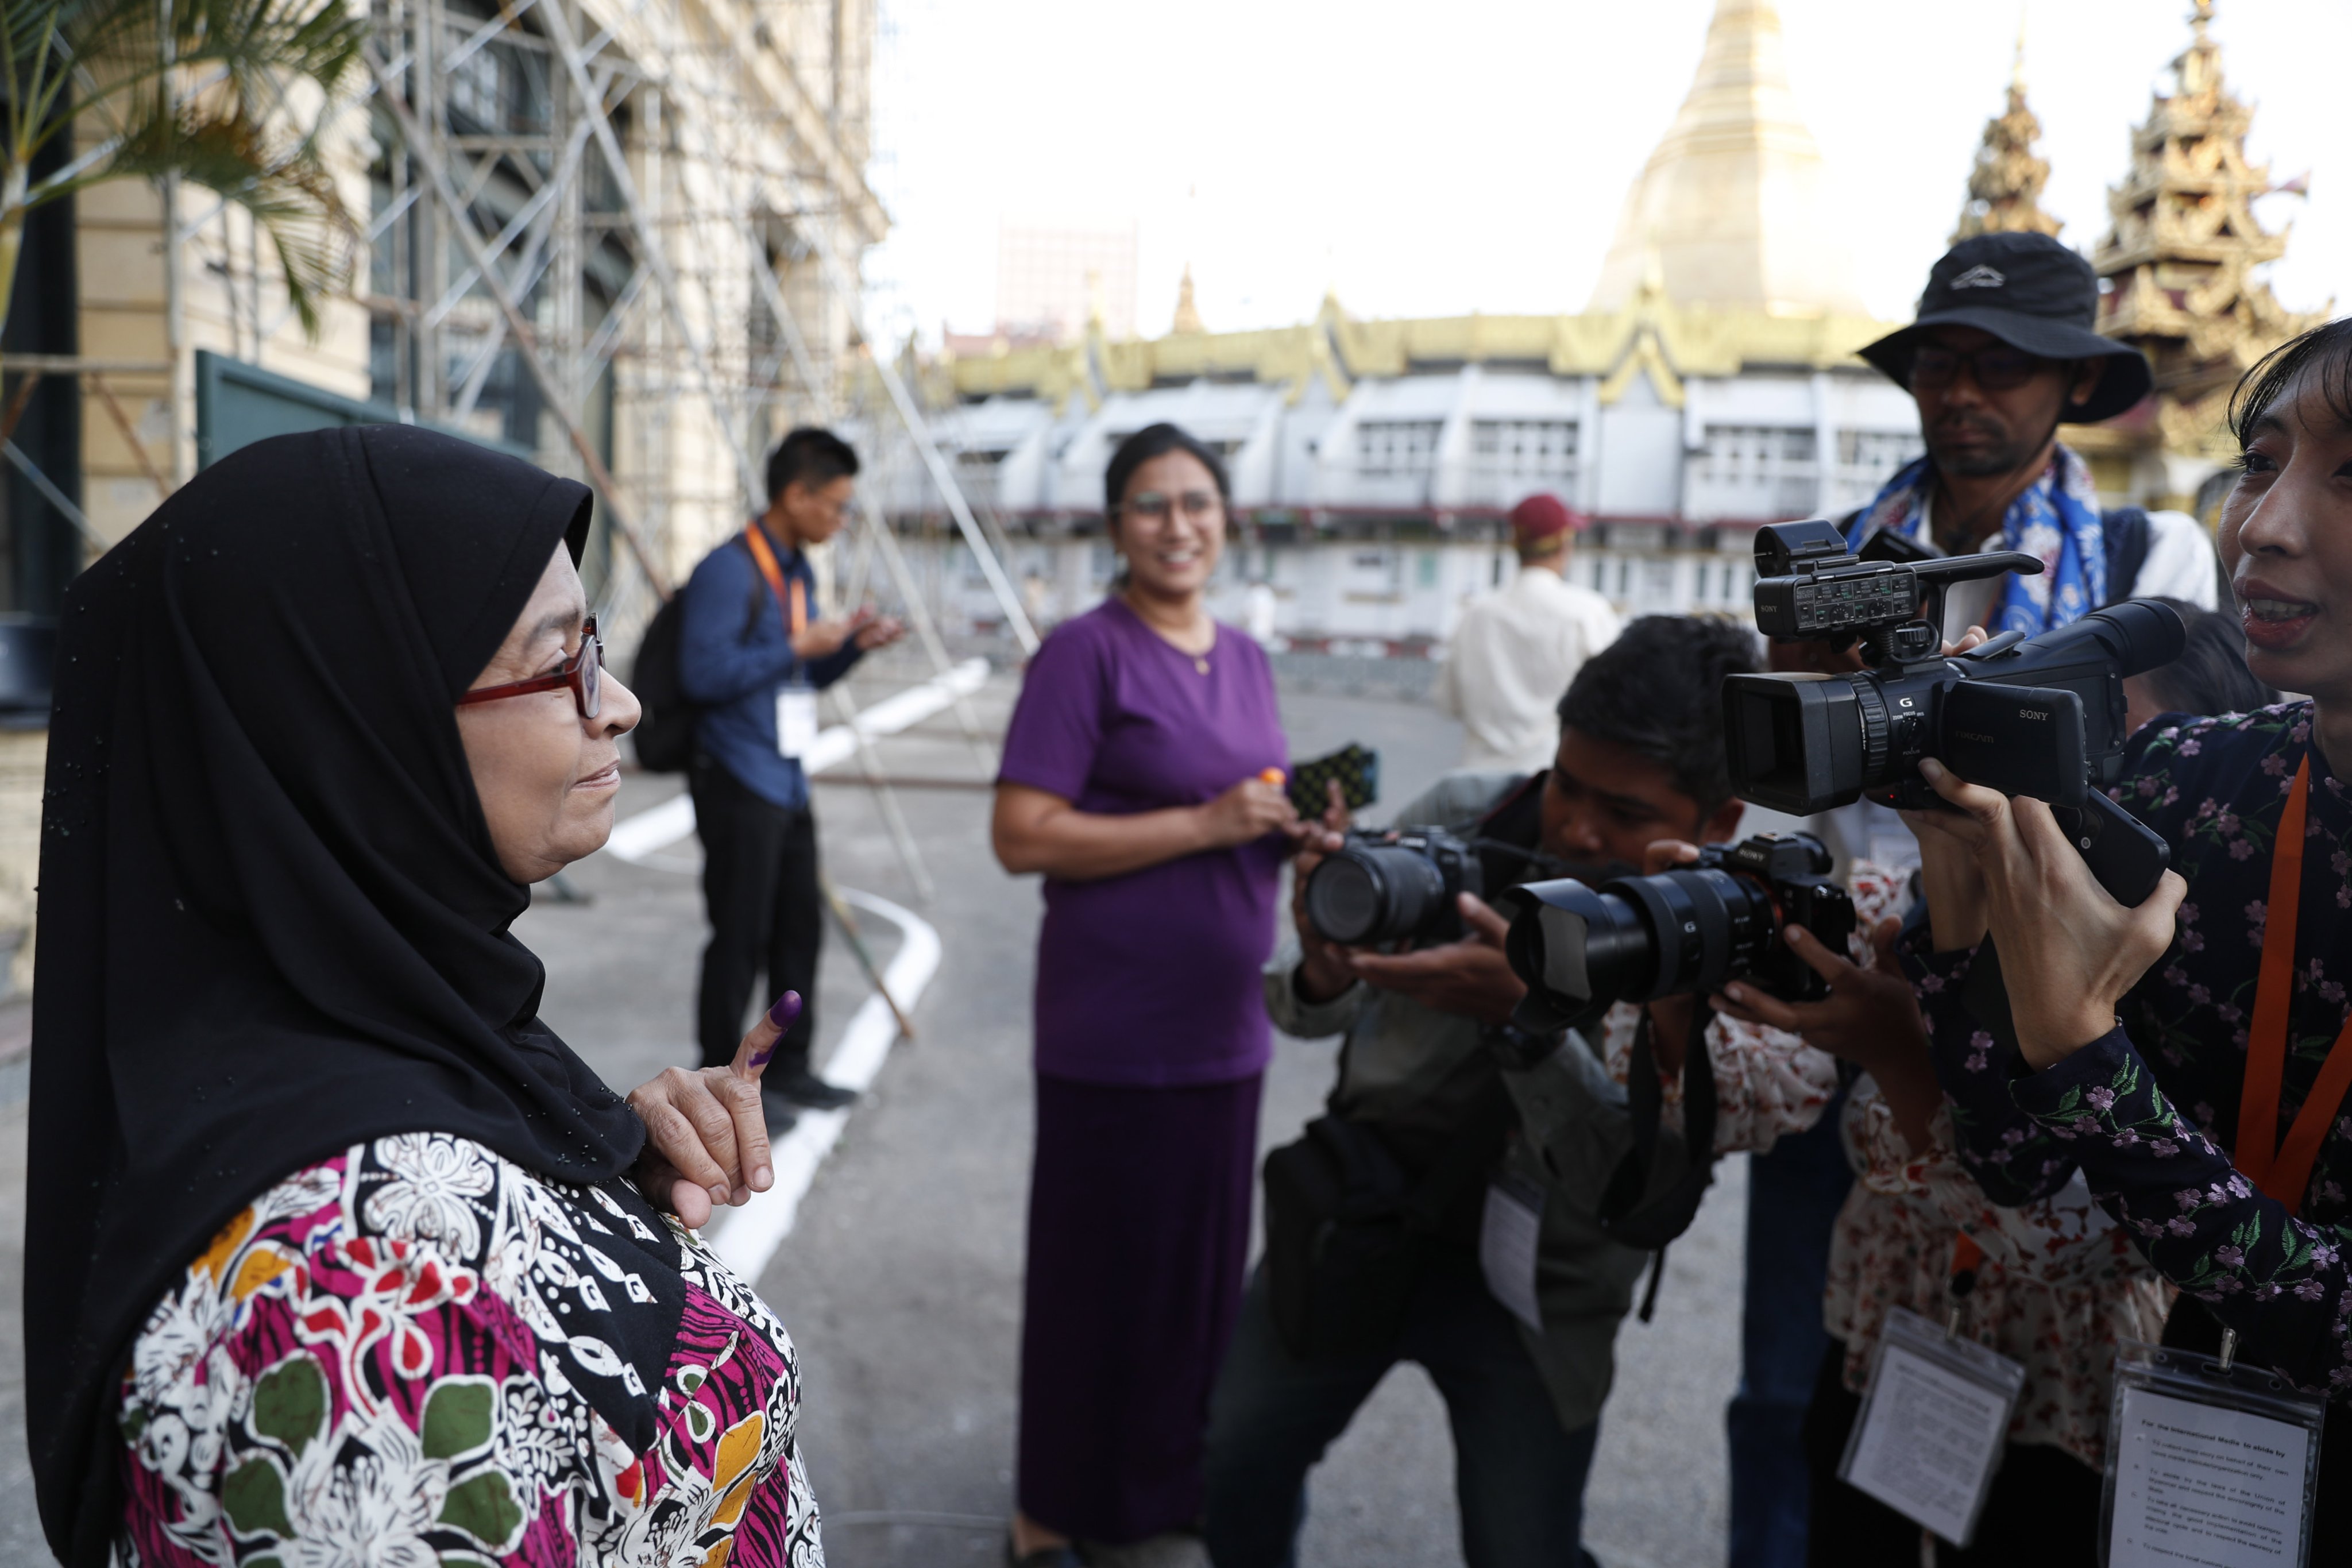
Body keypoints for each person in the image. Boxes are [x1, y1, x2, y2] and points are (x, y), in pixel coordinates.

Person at [28, 427, 830, 1566]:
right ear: (357, 728)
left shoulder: (394, 1034)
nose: (622, 706)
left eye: (595, 646)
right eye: (564, 664)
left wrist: (584, 1174)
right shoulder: (353, 1295)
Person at [1205, 615, 1837, 1568]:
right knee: (1232, 1463)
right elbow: (1303, 1014)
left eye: (1624, 814)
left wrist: (1521, 1020)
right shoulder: (1472, 815)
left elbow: (1642, 1181)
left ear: (1720, 822)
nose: (1576, 828)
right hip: (1356, 1212)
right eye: (1566, 785)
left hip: (1550, 1280)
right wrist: (1330, 967)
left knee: (1523, 1547)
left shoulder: (1732, 936)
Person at [1903, 318, 2352, 1552]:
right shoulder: (2190, 779)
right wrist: (1958, 869)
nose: (2261, 525)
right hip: (2168, 1458)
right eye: (2258, 463)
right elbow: (2009, 1160)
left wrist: (2083, 1052)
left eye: (2348, 475)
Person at [990, 422, 1301, 1567]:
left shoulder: (1251, 657)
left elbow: (1246, 814)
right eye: (1152, 505)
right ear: (1117, 526)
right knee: (1093, 1276)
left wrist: (1292, 836)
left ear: (1226, 519)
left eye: (1197, 503)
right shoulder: (1087, 653)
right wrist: (1207, 822)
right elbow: (1020, 835)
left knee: (1196, 1281)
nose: (1179, 525)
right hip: (1109, 1032)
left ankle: (1166, 1484)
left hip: (1225, 1029)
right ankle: (1052, 1504)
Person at [679, 426, 903, 1131]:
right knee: (738, 938)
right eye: (834, 506)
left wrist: (849, 650)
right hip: (737, 777)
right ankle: (719, 1083)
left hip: (785, 779)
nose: (839, 521)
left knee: (798, 934)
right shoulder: (728, 570)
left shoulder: (798, 572)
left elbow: (796, 674)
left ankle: (791, 1069)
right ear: (795, 494)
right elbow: (702, 675)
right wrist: (794, 648)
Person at [1847, 230, 2221, 635]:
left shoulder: (2152, 555)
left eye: (2002, 365)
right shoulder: (1836, 547)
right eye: (1936, 364)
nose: (1959, 394)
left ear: (2081, 378)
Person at [1437, 493, 1621, 773]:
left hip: (1474, 784)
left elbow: (1448, 703)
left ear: (1515, 545)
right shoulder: (1589, 614)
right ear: (1565, 543)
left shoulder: (1475, 615)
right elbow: (1616, 706)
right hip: (1550, 786)